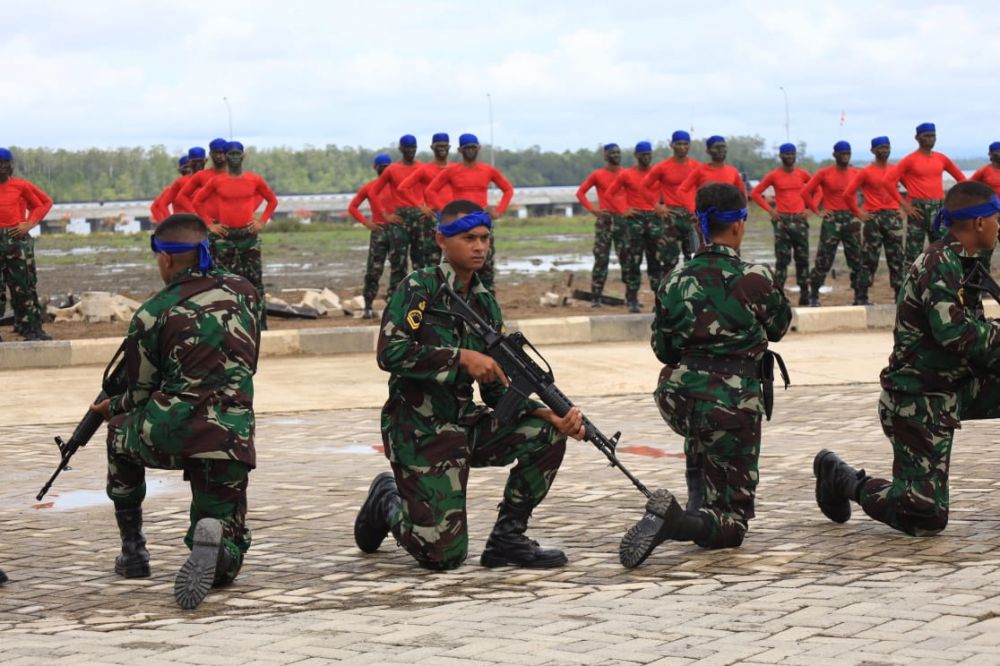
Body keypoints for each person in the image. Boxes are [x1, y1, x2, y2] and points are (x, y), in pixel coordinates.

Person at [353, 199, 585, 571]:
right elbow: (390, 353)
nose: (479, 247)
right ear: (442, 240)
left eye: (484, 239)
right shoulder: (421, 288)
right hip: (419, 432)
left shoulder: (485, 304)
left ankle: (507, 540)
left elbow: (497, 392)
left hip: (463, 425)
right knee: (443, 556)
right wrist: (461, 357)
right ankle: (387, 501)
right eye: (469, 238)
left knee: (546, 432)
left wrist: (547, 412)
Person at [93, 213, 261, 609]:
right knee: (225, 552)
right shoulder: (245, 291)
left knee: (118, 434)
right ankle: (218, 550)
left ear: (165, 259)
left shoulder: (152, 313)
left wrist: (108, 409)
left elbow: (139, 394)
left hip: (170, 432)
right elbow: (248, 364)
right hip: (229, 437)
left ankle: (133, 552)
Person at [814, 181, 1000, 538]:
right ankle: (842, 479)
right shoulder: (939, 263)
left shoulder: (963, 262)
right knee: (924, 514)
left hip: (954, 387)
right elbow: (954, 333)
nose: (998, 225)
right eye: (995, 218)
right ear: (979, 222)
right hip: (918, 397)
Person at [619, 183, 791, 567]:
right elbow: (779, 326)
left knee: (704, 420)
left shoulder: (674, 280)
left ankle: (698, 503)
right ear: (739, 225)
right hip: (732, 407)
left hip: (680, 401)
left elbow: (663, 350)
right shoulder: (755, 277)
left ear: (699, 223)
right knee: (732, 528)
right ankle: (677, 521)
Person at [193, 141, 278, 326]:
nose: (232, 157)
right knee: (224, 281)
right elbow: (197, 202)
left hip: (249, 236)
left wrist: (261, 221)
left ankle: (260, 324)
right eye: (229, 154)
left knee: (255, 281)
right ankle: (227, 323)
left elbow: (272, 201)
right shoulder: (216, 181)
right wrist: (209, 224)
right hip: (225, 237)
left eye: (236, 154)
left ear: (243, 156)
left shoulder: (254, 180)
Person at [425, 134, 514, 292]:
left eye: (473, 147)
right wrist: (446, 215)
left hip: (482, 223)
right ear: (460, 150)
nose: (471, 151)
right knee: (456, 264)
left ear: (478, 149)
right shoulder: (452, 171)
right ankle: (455, 301)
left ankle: (487, 306)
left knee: (485, 266)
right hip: (460, 226)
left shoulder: (488, 170)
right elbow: (430, 191)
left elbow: (508, 189)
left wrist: (499, 211)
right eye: (467, 148)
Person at [886, 122, 966, 262]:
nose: (930, 139)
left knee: (943, 249)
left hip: (939, 208)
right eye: (926, 136)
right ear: (917, 138)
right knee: (913, 251)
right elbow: (888, 181)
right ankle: (912, 282)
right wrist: (904, 205)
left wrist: (954, 202)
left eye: (933, 136)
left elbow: (961, 179)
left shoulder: (941, 158)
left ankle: (941, 281)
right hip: (918, 210)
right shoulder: (909, 160)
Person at [750, 143, 818, 306]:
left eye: (792, 154)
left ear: (796, 156)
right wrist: (770, 210)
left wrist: (811, 209)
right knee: (782, 261)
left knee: (802, 259)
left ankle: (804, 294)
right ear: (781, 156)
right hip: (782, 222)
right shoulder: (774, 175)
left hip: (800, 221)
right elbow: (755, 193)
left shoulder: (802, 174)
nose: (790, 157)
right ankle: (778, 295)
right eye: (786, 154)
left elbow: (819, 188)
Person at [843, 137, 907, 302]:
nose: (884, 151)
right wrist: (858, 213)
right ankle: (862, 295)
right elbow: (847, 194)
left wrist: (904, 209)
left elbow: (912, 188)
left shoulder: (896, 170)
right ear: (872, 151)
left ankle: (899, 295)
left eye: (886, 148)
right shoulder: (865, 172)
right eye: (880, 148)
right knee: (869, 259)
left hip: (893, 217)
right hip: (874, 218)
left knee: (897, 258)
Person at [802, 141, 865, 306]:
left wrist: (861, 209)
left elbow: (870, 191)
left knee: (856, 258)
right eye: (842, 153)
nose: (845, 156)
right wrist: (817, 210)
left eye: (847, 153)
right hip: (832, 219)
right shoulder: (824, 173)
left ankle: (860, 296)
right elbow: (806, 192)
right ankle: (814, 295)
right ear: (835, 155)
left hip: (851, 219)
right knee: (824, 258)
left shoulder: (856, 173)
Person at [0, 147, 53, 341]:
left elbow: (43, 203)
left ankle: (31, 327)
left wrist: (29, 224)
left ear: (12, 165)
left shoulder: (20, 186)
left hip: (16, 239)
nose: (2, 167)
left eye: (6, 163)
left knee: (23, 286)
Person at [607, 141, 662, 312]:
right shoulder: (627, 174)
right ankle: (632, 299)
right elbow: (610, 194)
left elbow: (671, 190)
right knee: (633, 262)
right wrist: (623, 210)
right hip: (635, 220)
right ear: (637, 156)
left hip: (654, 219)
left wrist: (664, 207)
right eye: (643, 154)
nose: (647, 157)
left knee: (655, 262)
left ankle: (659, 301)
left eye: (649, 154)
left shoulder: (657, 172)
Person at [575, 143, 627, 307]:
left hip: (623, 220)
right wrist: (593, 210)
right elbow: (580, 193)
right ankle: (596, 297)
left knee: (627, 259)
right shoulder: (598, 175)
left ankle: (631, 297)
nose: (616, 155)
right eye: (612, 153)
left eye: (618, 152)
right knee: (601, 259)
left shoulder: (626, 174)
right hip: (604, 220)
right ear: (605, 156)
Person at [370, 135, 424, 281]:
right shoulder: (392, 170)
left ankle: (423, 298)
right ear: (401, 149)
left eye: (413, 147)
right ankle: (397, 299)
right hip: (400, 220)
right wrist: (385, 215)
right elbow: (373, 192)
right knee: (398, 264)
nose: (410, 151)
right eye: (407, 148)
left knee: (422, 263)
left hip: (420, 219)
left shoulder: (422, 168)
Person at [348, 153, 394, 319]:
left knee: (399, 270)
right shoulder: (370, 187)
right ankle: (368, 306)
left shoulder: (399, 186)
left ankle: (396, 304)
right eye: (382, 166)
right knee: (373, 271)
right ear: (375, 168)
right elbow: (353, 207)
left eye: (388, 166)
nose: (385, 169)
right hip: (379, 232)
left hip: (397, 232)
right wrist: (367, 223)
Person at [398, 132, 454, 267]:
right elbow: (403, 188)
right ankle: (430, 287)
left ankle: (452, 287)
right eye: (439, 146)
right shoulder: (424, 170)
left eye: (445, 146)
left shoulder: (456, 169)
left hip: (454, 217)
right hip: (433, 218)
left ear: (449, 147)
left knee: (454, 257)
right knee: (431, 260)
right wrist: (420, 206)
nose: (442, 149)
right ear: (432, 147)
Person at [644, 130, 700, 261]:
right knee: (668, 259)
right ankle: (669, 281)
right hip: (670, 216)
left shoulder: (697, 167)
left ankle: (690, 281)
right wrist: (656, 205)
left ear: (689, 145)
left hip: (691, 217)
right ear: (672, 145)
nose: (682, 147)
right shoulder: (662, 167)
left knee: (694, 258)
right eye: (679, 144)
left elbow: (704, 189)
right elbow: (644, 187)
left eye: (685, 144)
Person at [678, 136, 746, 213]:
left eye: (723, 147)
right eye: (716, 147)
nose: (721, 150)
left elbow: (742, 194)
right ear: (708, 151)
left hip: (728, 217)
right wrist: (693, 208)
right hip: (706, 218)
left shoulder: (733, 171)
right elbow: (682, 190)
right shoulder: (700, 170)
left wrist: (741, 212)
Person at [175, 138, 230, 216]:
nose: (218, 156)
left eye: (221, 153)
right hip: (209, 223)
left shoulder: (236, 175)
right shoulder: (201, 176)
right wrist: (196, 214)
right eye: (215, 153)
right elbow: (181, 197)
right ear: (211, 154)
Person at [150, 156, 192, 223]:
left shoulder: (172, 188)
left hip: (180, 226)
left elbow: (154, 207)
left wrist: (168, 224)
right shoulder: (204, 183)